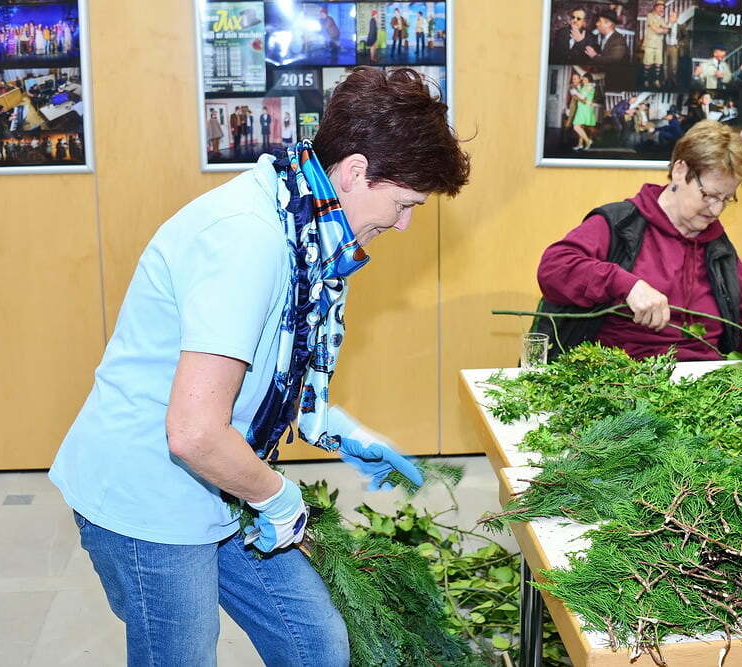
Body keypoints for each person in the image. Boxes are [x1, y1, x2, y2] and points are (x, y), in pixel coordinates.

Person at [49, 67, 470, 666]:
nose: (403, 223)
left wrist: (339, 429)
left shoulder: (301, 217)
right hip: (150, 494)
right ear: (354, 171)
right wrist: (276, 498)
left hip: (220, 476)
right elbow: (194, 432)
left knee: (315, 644)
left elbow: (272, 363)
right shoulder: (247, 239)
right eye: (404, 204)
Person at [536, 120, 742, 361]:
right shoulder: (621, 224)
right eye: (709, 195)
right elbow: (554, 267)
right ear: (680, 171)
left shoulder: (719, 251)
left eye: (726, 199)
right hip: (621, 375)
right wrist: (626, 285)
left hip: (702, 380)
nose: (716, 210)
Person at [642, 1, 669, 89]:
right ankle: (646, 80)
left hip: (659, 45)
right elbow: (657, 30)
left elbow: (667, 29)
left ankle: (656, 80)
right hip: (650, 44)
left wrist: (662, 29)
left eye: (663, 8)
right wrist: (662, 30)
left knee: (658, 63)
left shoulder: (661, 19)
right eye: (660, 7)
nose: (662, 9)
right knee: (648, 63)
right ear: (655, 8)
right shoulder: (650, 16)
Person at [570, 73, 596, 150]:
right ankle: (580, 144)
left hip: (584, 108)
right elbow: (582, 94)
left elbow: (582, 97)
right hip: (582, 108)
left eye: (586, 80)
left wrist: (575, 92)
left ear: (589, 80)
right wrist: (577, 89)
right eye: (583, 79)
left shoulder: (589, 86)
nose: (584, 81)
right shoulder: (586, 86)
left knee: (576, 126)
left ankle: (588, 141)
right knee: (580, 127)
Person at [664, 10, 682, 88]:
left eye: (673, 16)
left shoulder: (680, 26)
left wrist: (679, 44)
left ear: (677, 18)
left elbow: (685, 37)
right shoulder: (665, 25)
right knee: (665, 65)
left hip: (674, 47)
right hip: (666, 46)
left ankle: (674, 80)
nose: (671, 17)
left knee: (674, 65)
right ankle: (666, 80)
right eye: (670, 16)